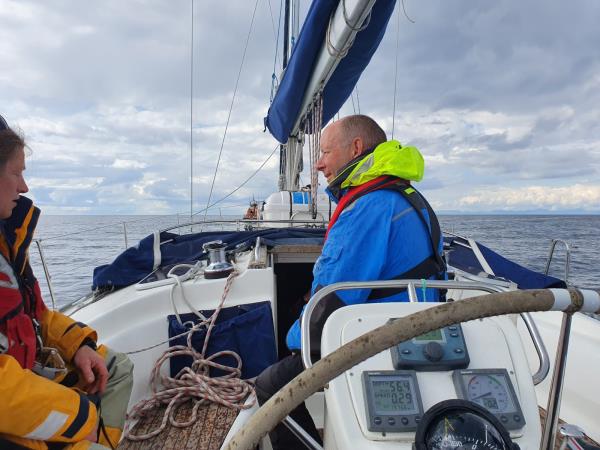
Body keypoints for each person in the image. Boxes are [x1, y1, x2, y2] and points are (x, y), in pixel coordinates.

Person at [255, 114, 446, 449]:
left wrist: (298, 342)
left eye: (326, 153)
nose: (318, 165)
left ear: (356, 147)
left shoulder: (367, 206)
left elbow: (334, 295)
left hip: (381, 335)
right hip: (417, 323)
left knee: (272, 387)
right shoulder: (402, 194)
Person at [0, 114, 133, 450]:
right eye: (16, 173)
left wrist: (80, 346)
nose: (24, 187)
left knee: (116, 368)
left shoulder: (8, 242)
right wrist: (80, 419)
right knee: (85, 413)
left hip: (25, 377)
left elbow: (37, 315)